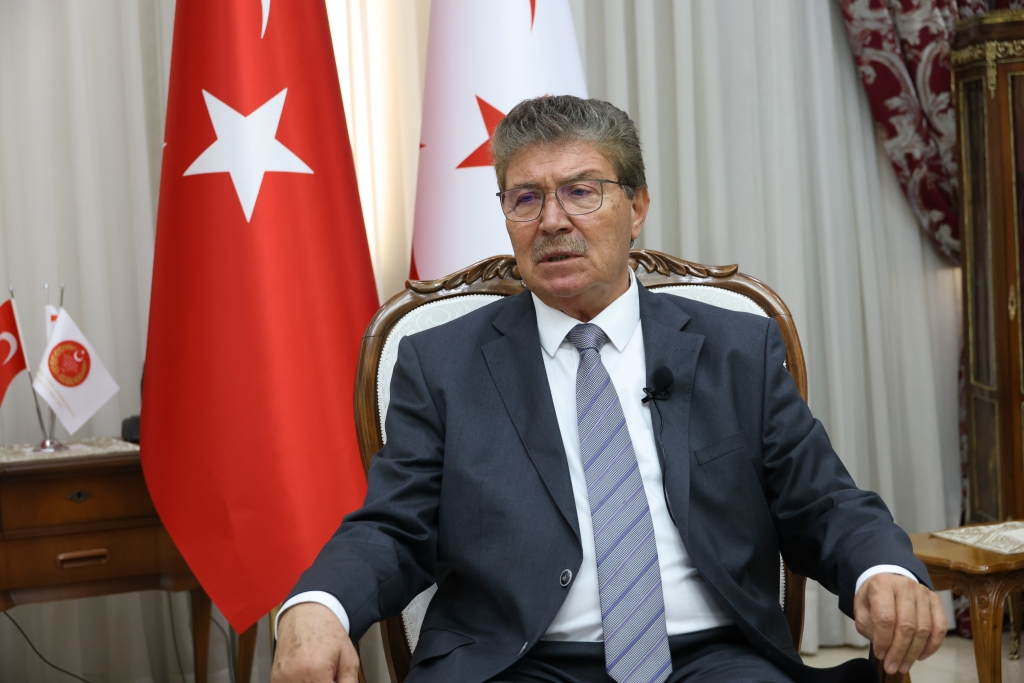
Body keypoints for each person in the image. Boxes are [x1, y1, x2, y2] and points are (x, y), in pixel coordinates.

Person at [271, 96, 945, 683]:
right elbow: (393, 527)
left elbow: (822, 501)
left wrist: (881, 571)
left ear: (637, 206)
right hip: (514, 662)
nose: (552, 220)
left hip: (713, 656)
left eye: (582, 191)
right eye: (525, 198)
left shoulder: (737, 348)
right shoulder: (441, 362)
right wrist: (318, 606)